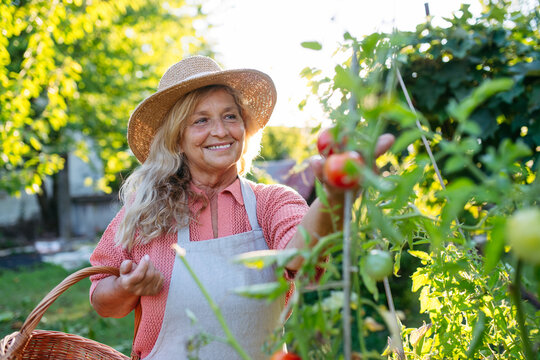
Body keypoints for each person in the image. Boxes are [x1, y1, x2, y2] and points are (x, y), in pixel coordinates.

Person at [89, 55, 394, 360]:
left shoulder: (271, 202)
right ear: (177, 139)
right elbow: (103, 302)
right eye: (201, 120)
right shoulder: (145, 212)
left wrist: (334, 192)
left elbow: (300, 255)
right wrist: (126, 287)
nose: (221, 131)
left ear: (245, 128)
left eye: (230, 116)